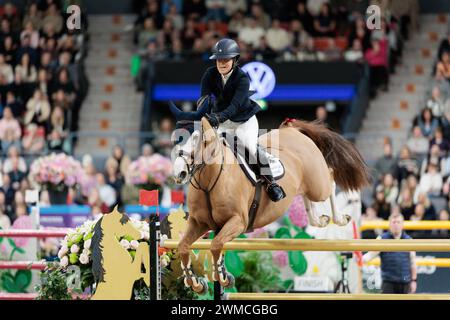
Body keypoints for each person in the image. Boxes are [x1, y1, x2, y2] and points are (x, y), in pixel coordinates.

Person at [200, 38, 286, 202]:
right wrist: (201, 115)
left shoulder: (242, 78)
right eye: (219, 60)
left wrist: (217, 118)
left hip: (243, 120)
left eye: (226, 59)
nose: (222, 63)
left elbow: (234, 106)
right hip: (221, 120)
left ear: (235, 60)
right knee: (206, 147)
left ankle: (271, 183)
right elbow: (203, 99)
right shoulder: (209, 75)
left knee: (249, 147)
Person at [363, 213, 417, 294]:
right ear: (389, 224)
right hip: (388, 281)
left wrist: (414, 280)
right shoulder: (382, 239)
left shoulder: (409, 240)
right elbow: (370, 255)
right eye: (393, 222)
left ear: (402, 225)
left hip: (405, 280)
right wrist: (360, 259)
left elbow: (413, 263)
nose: (396, 225)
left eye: (398, 222)